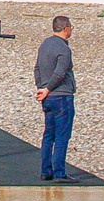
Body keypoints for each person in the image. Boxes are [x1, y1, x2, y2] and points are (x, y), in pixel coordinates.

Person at [33, 13, 76, 181]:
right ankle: (59, 172)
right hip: (61, 96)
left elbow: (37, 69)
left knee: (48, 135)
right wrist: (49, 88)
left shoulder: (45, 45)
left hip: (47, 98)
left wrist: (41, 88)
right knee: (62, 136)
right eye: (71, 27)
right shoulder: (64, 49)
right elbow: (60, 72)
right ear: (66, 29)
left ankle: (46, 171)